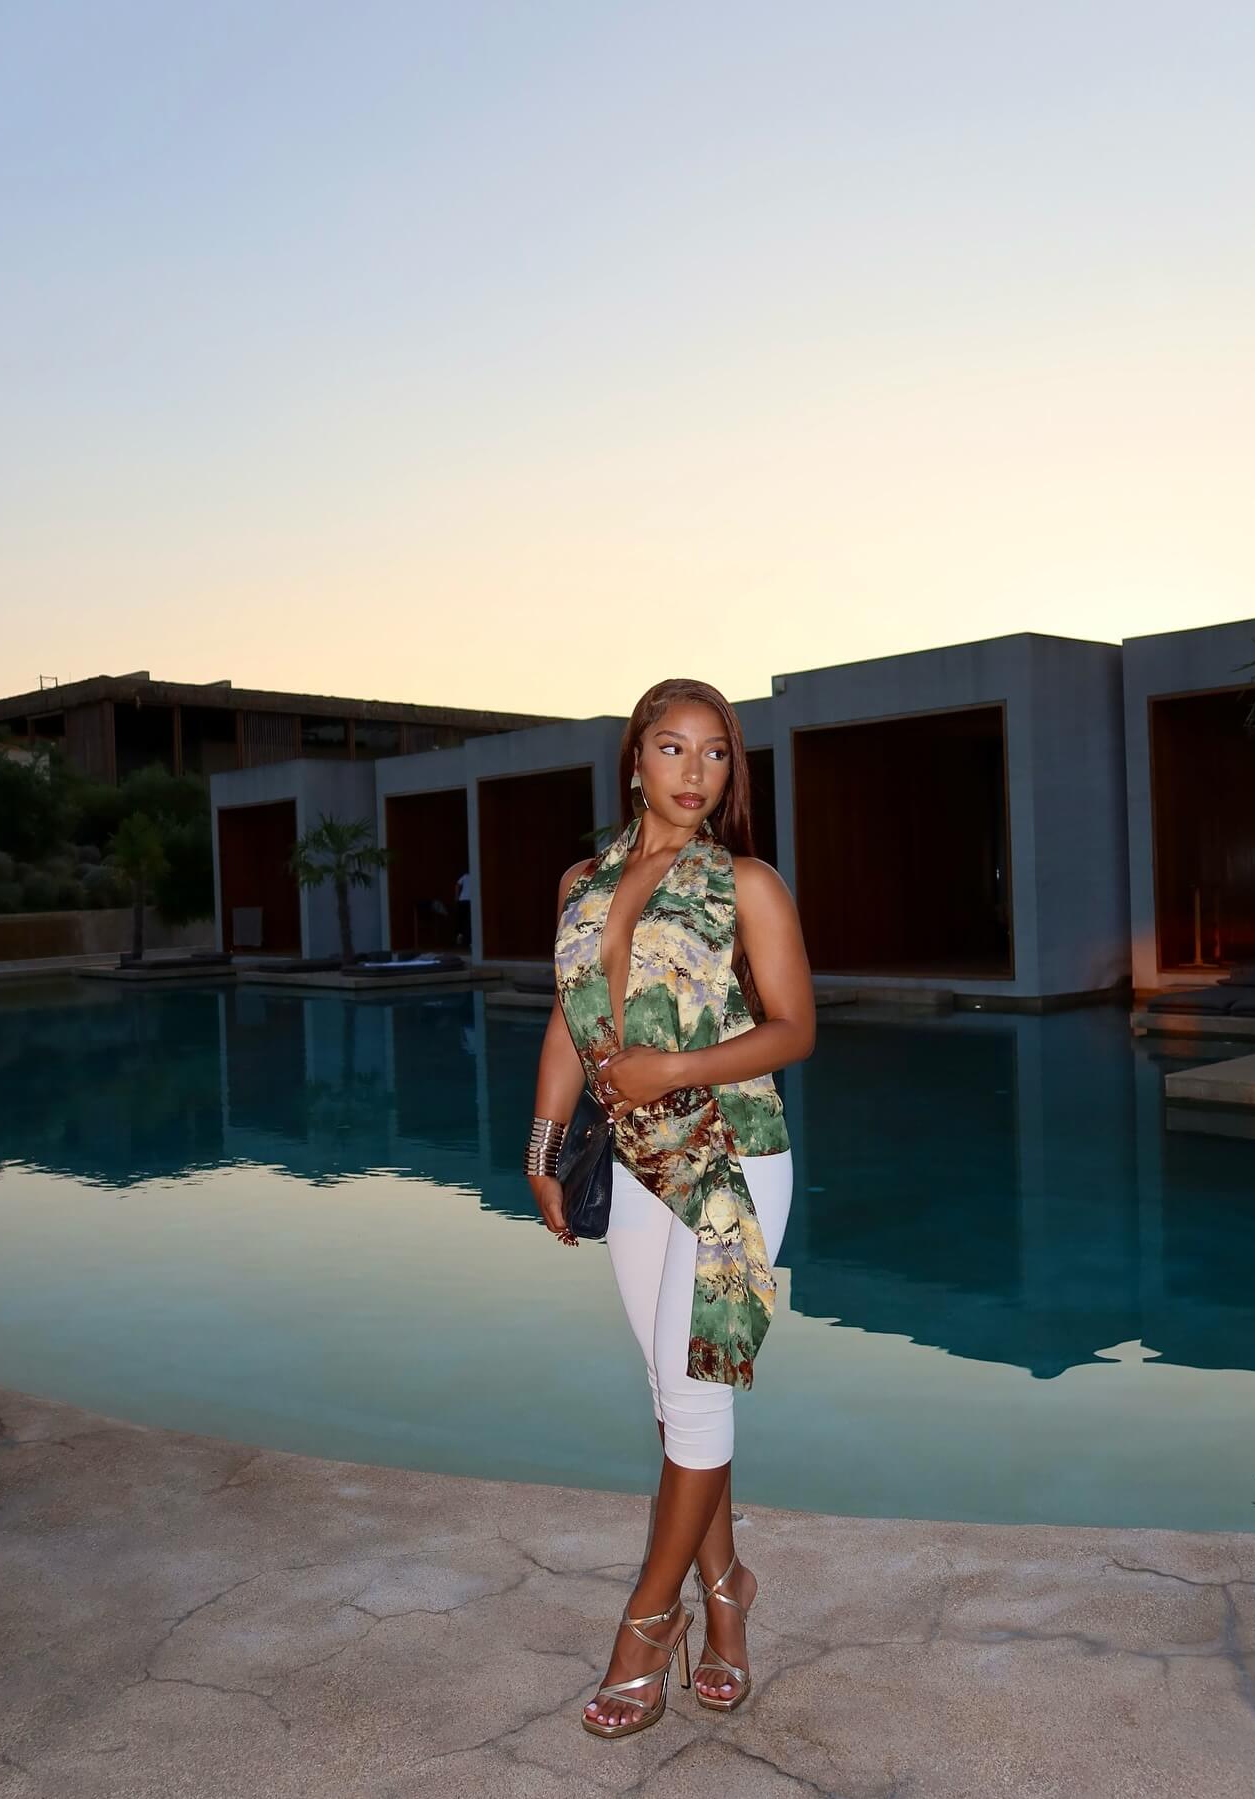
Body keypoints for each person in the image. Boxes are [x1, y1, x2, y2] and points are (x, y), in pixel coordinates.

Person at [526, 677, 815, 1739]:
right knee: (671, 1392)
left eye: (717, 753)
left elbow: (794, 1029)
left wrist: (678, 1063)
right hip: (633, 1162)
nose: (696, 772)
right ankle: (729, 1590)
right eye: (673, 748)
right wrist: (544, 1144)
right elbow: (571, 1022)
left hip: (730, 1156)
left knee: (693, 1399)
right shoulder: (583, 882)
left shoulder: (747, 884)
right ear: (635, 759)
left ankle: (648, 1626)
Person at [453, 870, 471, 947]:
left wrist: (457, 897)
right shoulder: (469, 876)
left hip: (463, 900)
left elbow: (457, 885)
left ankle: (460, 936)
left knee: (462, 920)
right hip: (471, 900)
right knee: (469, 921)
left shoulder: (465, 876)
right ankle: (467, 940)